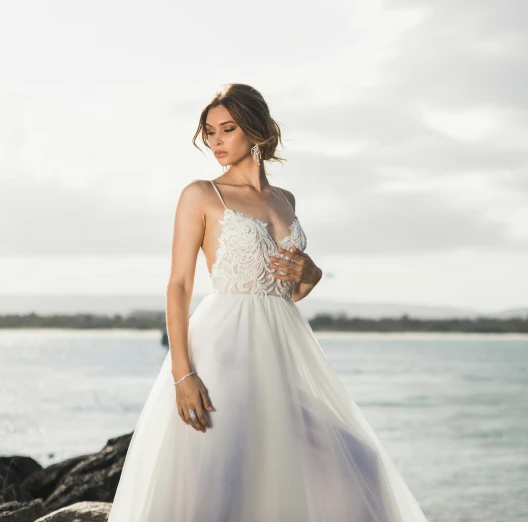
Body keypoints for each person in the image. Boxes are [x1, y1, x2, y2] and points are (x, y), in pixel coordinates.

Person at [107, 83, 429, 521]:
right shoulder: (202, 194)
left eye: (228, 129)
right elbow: (179, 285)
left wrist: (311, 274)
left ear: (255, 130)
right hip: (224, 347)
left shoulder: (285, 200)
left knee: (357, 464)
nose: (217, 141)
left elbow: (290, 289)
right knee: (223, 477)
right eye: (210, 132)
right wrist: (183, 373)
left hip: (281, 349)